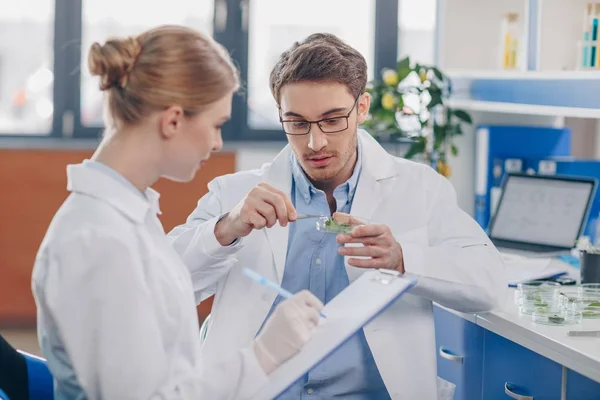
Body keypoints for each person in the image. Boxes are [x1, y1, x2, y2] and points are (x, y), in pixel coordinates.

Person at [167, 33, 506, 399]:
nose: (315, 143)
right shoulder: (234, 194)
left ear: (361, 108)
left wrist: (403, 258)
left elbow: (488, 284)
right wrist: (225, 229)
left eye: (332, 120)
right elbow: (167, 284)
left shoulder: (420, 189)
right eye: (297, 123)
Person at [30, 25, 324, 400]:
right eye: (216, 125)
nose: (217, 143)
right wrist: (263, 355)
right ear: (172, 120)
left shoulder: (126, 216)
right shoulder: (98, 239)